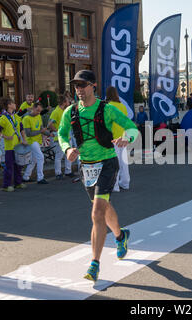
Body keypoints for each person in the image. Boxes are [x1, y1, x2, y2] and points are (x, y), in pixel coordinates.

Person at [58, 70, 139, 282]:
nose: (79, 89)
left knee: (96, 213)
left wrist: (126, 138)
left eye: (83, 85)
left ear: (93, 85)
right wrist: (67, 149)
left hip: (107, 163)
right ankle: (121, 236)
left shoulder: (107, 109)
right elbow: (61, 133)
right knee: (102, 207)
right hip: (86, 166)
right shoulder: (70, 111)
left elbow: (132, 127)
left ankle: (94, 264)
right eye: (76, 85)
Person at [0, 97, 28, 192]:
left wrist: (24, 139)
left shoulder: (17, 117)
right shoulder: (3, 118)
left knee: (19, 165)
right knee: (9, 166)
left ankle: (18, 183)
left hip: (18, 145)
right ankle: (6, 185)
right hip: (9, 146)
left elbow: (22, 129)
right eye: (13, 103)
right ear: (9, 105)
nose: (15, 104)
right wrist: (5, 137)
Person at [106, 86, 130, 192]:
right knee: (124, 163)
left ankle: (114, 186)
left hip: (113, 138)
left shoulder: (109, 106)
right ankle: (125, 183)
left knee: (114, 164)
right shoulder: (122, 106)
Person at [22, 100, 51, 184]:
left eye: (40, 111)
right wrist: (41, 131)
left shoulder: (38, 116)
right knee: (40, 157)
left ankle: (26, 177)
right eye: (37, 110)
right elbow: (28, 133)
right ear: (33, 108)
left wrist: (49, 134)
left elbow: (41, 128)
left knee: (33, 160)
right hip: (31, 141)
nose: (39, 112)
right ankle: (40, 178)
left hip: (37, 140)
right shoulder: (26, 118)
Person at [48, 94, 73, 180]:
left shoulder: (65, 110)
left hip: (67, 137)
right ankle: (58, 173)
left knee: (68, 155)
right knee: (59, 156)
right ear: (64, 102)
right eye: (67, 101)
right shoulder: (56, 111)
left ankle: (68, 171)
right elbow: (49, 124)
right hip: (60, 138)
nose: (68, 102)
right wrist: (57, 131)